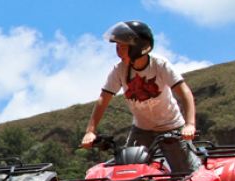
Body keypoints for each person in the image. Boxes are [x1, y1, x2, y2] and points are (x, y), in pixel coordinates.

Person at [80, 20, 200, 173]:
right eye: (117, 47)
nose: (118, 51)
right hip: (141, 129)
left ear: (138, 48)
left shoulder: (160, 65)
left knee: (188, 173)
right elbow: (103, 99)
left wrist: (190, 124)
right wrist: (90, 131)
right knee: (128, 172)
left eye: (122, 46)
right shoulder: (119, 70)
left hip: (172, 128)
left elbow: (185, 93)